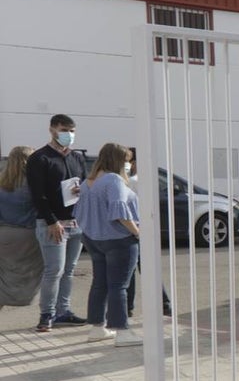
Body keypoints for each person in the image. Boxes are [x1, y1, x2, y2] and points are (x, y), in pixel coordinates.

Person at [73, 143, 142, 347]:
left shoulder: (89, 182)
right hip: (118, 240)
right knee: (119, 286)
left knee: (100, 283)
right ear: (118, 160)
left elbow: (79, 212)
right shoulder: (114, 180)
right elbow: (119, 212)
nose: (128, 164)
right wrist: (137, 233)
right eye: (127, 160)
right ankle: (122, 331)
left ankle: (97, 328)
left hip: (93, 239)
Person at [26, 114, 89, 331]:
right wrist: (52, 221)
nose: (68, 135)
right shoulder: (39, 159)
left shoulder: (77, 158)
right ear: (52, 129)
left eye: (72, 131)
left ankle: (64, 311)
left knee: (69, 270)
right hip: (52, 224)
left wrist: (82, 190)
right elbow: (38, 195)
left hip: (75, 222)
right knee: (54, 270)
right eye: (64, 130)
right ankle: (47, 315)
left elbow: (85, 183)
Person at [123, 148, 172, 318]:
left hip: (132, 230)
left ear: (134, 163)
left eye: (128, 161)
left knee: (129, 271)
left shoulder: (131, 181)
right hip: (146, 228)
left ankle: (128, 307)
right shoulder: (148, 180)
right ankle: (165, 304)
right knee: (149, 269)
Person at [0, 146, 46, 310]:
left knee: (4, 278)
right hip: (30, 235)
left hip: (5, 235)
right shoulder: (34, 185)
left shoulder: (2, 183)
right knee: (38, 275)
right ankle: (47, 314)